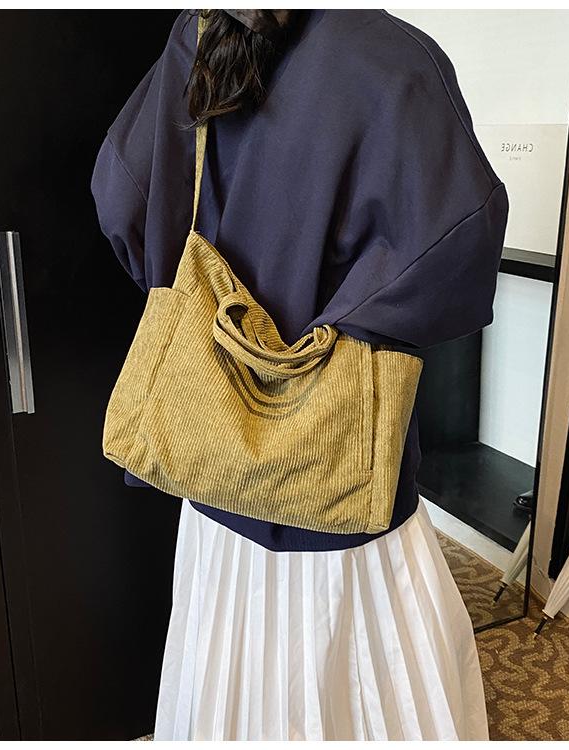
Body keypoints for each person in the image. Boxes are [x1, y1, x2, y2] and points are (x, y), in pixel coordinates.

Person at [91, 9, 508, 741]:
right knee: (379, 685)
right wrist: (343, 334)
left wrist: (202, 297)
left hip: (216, 463)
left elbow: (121, 196)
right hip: (343, 471)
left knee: (223, 680)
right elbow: (460, 243)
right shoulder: (397, 59)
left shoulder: (200, 36)